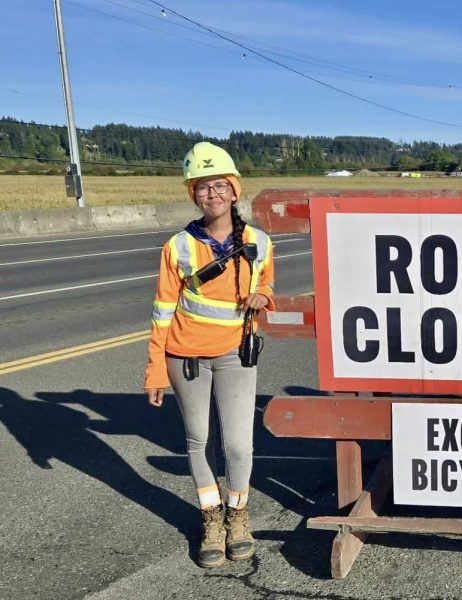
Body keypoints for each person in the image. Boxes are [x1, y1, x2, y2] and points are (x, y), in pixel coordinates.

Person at [144, 141, 275, 568]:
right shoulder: (178, 247)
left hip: (236, 353)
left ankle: (238, 517)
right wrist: (154, 372)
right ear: (193, 194)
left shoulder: (258, 241)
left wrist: (263, 295)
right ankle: (211, 519)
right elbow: (163, 312)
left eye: (220, 185)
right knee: (199, 441)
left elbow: (268, 281)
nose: (212, 194)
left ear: (235, 190)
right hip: (185, 358)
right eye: (202, 187)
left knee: (239, 445)